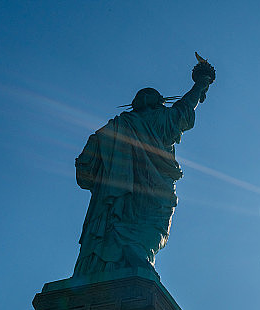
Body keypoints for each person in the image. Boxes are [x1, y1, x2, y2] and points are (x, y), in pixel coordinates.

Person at [73, 59, 215, 276]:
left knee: (117, 224)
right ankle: (135, 258)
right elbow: (185, 107)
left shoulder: (115, 127)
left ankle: (107, 265)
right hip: (155, 189)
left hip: (116, 195)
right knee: (148, 230)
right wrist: (201, 83)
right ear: (159, 102)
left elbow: (86, 163)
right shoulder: (162, 118)